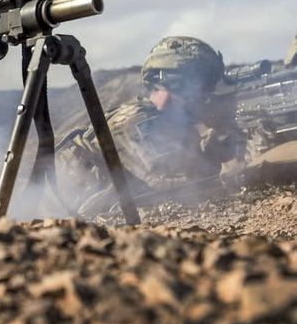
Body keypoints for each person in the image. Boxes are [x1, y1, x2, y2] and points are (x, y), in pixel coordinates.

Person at [61, 36, 242, 211]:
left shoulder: (177, 127)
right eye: (202, 84)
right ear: (174, 81)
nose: (206, 94)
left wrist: (218, 142)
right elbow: (171, 184)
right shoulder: (134, 120)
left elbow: (192, 181)